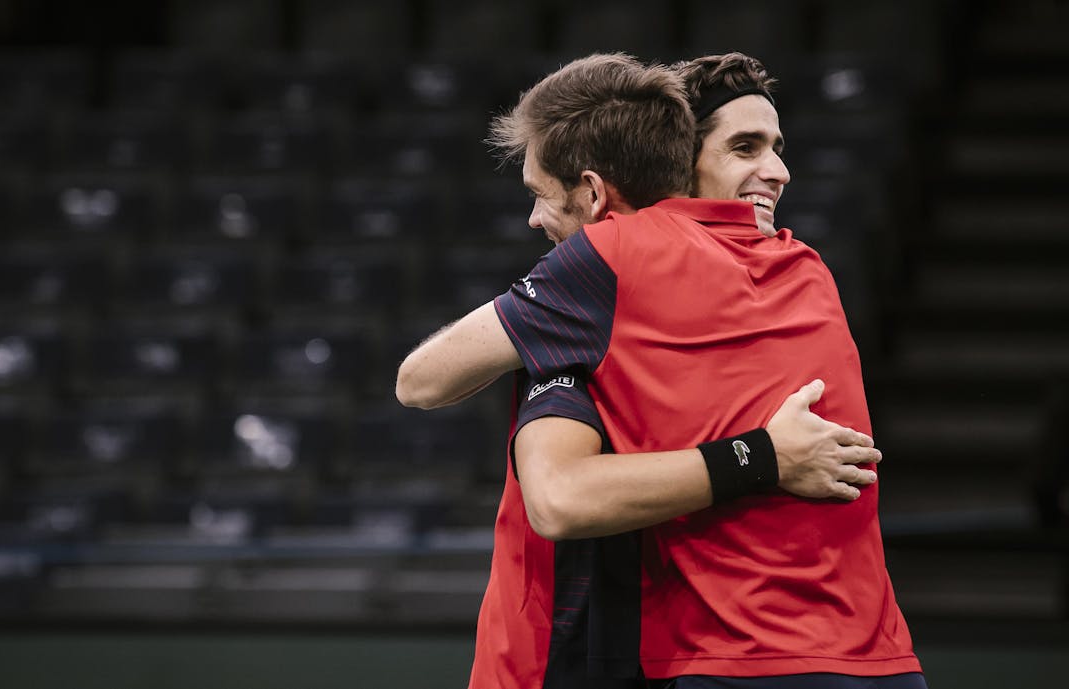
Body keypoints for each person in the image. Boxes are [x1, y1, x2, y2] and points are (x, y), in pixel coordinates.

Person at [396, 52, 924, 688]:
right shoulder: (808, 269)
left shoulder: (605, 268)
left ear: (593, 192)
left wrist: (758, 456)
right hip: (880, 663)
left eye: (539, 195)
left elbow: (426, 387)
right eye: (745, 147)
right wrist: (764, 455)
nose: (778, 172)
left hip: (719, 664)